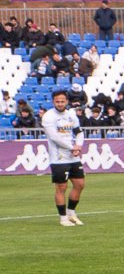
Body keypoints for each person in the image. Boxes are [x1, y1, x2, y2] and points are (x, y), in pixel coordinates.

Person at [42, 90, 86, 226]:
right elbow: (55, 137)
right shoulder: (48, 117)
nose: (60, 104)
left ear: (66, 101)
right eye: (57, 101)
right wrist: (73, 147)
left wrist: (79, 145)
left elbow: (78, 132)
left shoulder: (71, 114)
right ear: (53, 102)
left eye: (62, 101)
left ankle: (71, 213)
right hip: (59, 158)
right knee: (61, 187)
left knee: (80, 184)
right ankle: (63, 218)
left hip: (73, 156)